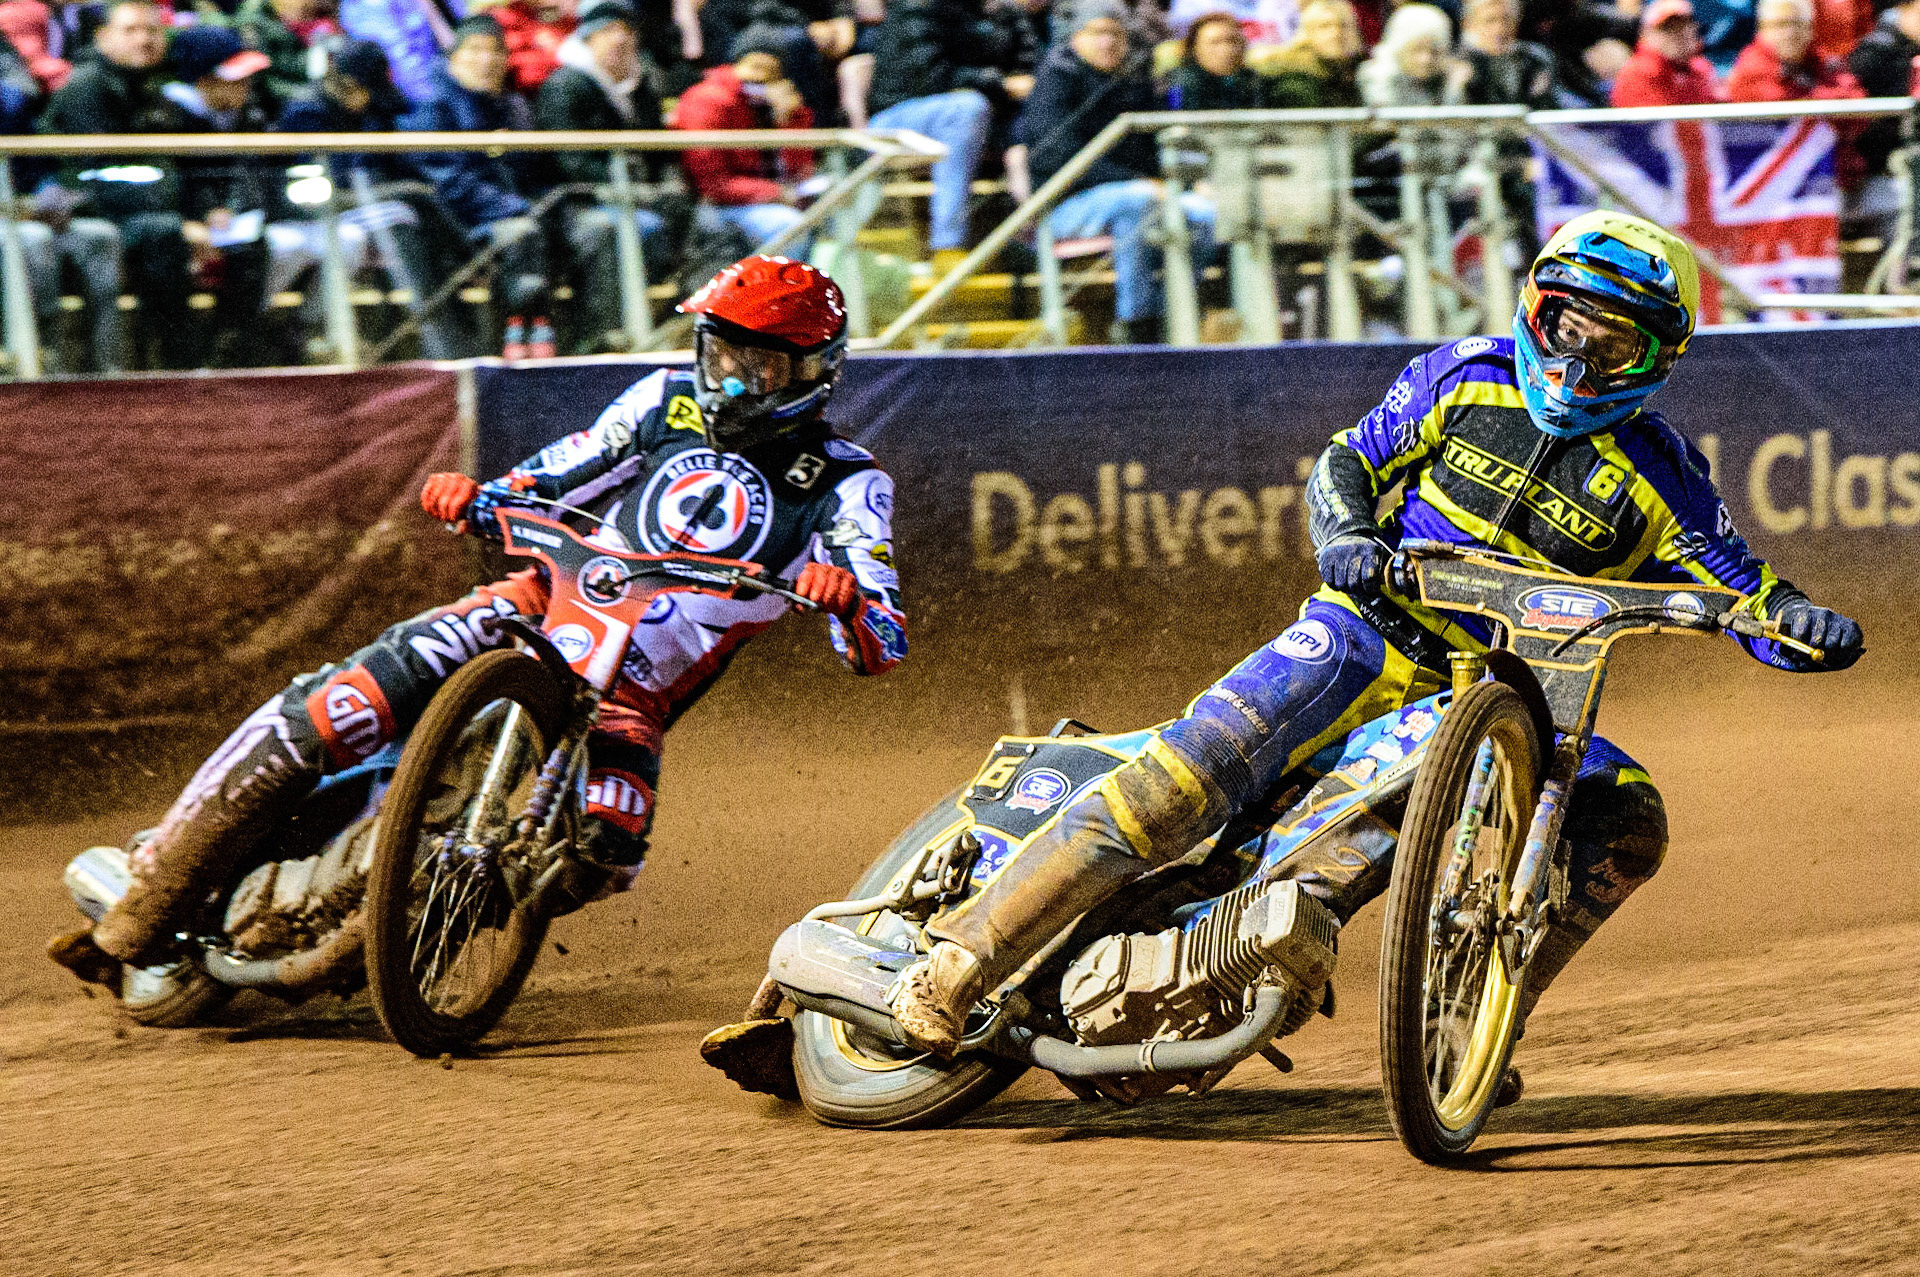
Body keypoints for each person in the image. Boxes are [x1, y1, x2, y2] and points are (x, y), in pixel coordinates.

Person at [888, 211, 1866, 1083]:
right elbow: (1348, 459)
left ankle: (1475, 1020)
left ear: (1659, 358)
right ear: (1539, 310)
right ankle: (953, 965)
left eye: (1615, 344)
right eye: (1571, 326)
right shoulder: (1465, 373)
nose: (1580, 361)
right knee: (1184, 778)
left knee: (1629, 817)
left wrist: (1801, 627)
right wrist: (1345, 535)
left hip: (1500, 698)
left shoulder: (1665, 476)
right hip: (1361, 633)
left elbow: (1748, 592)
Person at [49, 255, 911, 993]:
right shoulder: (659, 402)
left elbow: (882, 639)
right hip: (538, 605)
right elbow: (550, 477)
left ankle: (400, 946)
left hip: (635, 691)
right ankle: (146, 893)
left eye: (757, 366)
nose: (729, 380)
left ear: (810, 372)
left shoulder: (846, 481)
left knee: (605, 852)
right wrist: (479, 497)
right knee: (341, 702)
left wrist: (846, 603)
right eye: (720, 353)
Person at [1021, 0, 1218, 345]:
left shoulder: (1135, 83)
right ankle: (1136, 323)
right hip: (1064, 204)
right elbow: (1058, 157)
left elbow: (1159, 145)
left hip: (1138, 193)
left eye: (1116, 34)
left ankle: (1174, 310)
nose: (1109, 42)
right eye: (1098, 32)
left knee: (1205, 213)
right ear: (1076, 37)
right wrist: (1138, 183)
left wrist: (1191, 181)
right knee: (1136, 203)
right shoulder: (1055, 80)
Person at [37, 0, 195, 368]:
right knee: (165, 231)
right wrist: (169, 205)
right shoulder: (86, 87)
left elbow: (169, 169)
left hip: (135, 214)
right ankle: (167, 368)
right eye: (131, 30)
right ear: (103, 38)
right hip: (86, 214)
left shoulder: (156, 88)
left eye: (153, 31)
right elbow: (90, 176)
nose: (144, 40)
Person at [402, 14, 557, 359]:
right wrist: (516, 204)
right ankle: (515, 333)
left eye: (495, 52)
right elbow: (446, 183)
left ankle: (550, 330)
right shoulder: (431, 107)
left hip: (517, 211)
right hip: (454, 225)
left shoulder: (513, 106)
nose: (487, 61)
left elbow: (536, 170)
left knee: (567, 225)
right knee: (520, 231)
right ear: (453, 57)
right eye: (475, 51)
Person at [537, 0, 688, 352]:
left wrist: (656, 186)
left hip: (633, 197)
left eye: (626, 32)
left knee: (697, 219)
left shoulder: (641, 89)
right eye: (608, 32)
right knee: (607, 232)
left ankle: (684, 326)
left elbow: (658, 152)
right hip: (575, 202)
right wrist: (629, 186)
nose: (619, 40)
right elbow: (567, 162)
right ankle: (600, 342)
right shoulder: (565, 85)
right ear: (587, 40)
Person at [867, 0, 1034, 266]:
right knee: (968, 108)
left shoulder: (993, 11)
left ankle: (1033, 238)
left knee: (1033, 110)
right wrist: (1001, 83)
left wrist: (1006, 22)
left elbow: (1024, 60)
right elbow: (932, 76)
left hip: (969, 113)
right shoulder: (916, 5)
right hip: (896, 117)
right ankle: (947, 244)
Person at [671, 33, 817, 254]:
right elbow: (712, 185)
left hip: (778, 197)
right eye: (755, 66)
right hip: (719, 208)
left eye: (771, 72)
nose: (760, 77)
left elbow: (800, 171)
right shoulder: (707, 100)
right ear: (736, 64)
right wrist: (776, 193)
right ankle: (786, 288)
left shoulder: (779, 104)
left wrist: (790, 119)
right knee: (789, 224)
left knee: (837, 212)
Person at [1727, 0, 1867, 99]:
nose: (1790, 33)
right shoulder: (1751, 63)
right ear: (1763, 29)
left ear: (1811, 29)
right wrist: (1823, 96)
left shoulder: (1821, 59)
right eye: (1781, 24)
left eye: (1798, 23)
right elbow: (1779, 103)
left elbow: (1856, 100)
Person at [1611, 0, 1726, 106]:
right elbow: (1654, 125)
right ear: (1646, 34)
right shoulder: (1639, 73)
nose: (1679, 34)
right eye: (1667, 28)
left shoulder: (1702, 68)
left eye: (1684, 25)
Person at [1259, 0, 1362, 108]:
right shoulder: (1295, 81)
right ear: (1307, 33)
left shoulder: (1361, 72)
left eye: (1344, 26)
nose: (1336, 34)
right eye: (1325, 26)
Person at [1166, 11, 1264, 109]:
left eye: (1232, 41)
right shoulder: (1179, 85)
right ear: (1194, 48)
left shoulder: (1254, 82)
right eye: (1215, 42)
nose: (1226, 49)